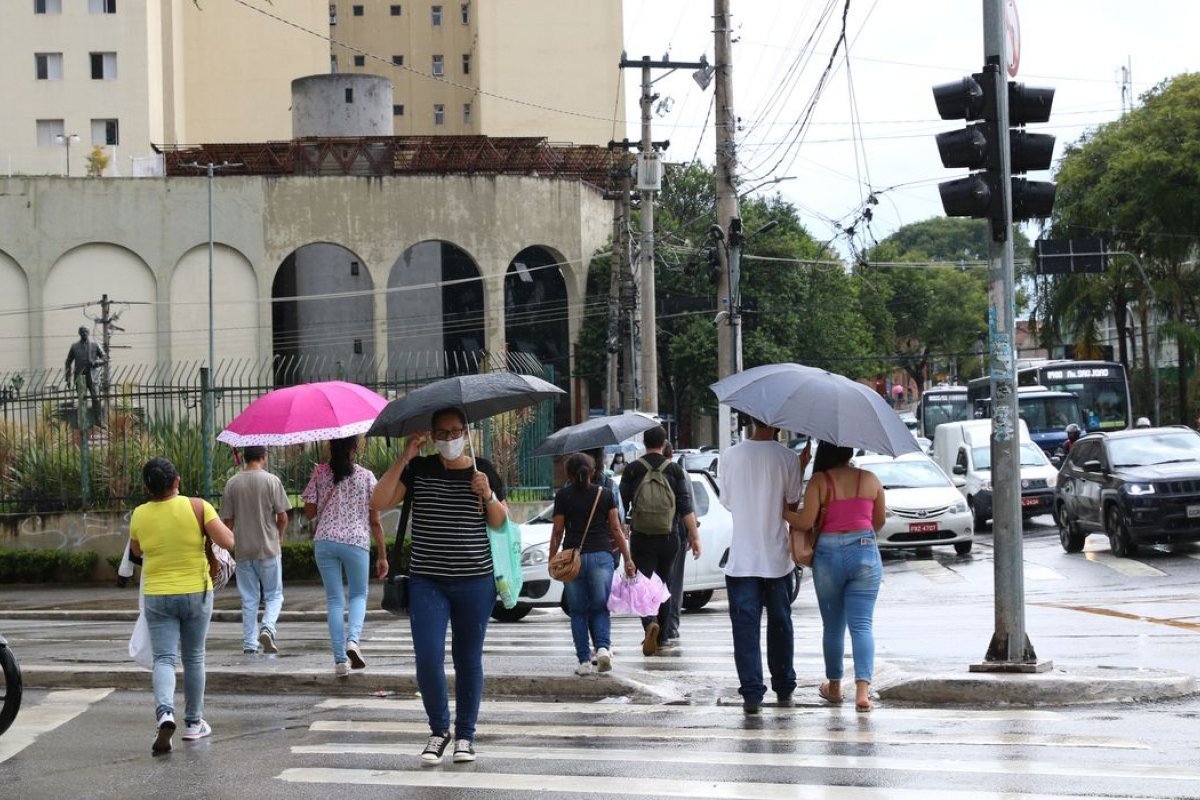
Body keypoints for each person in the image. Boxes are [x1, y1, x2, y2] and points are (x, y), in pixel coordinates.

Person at [371, 407, 507, 766]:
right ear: (432, 437)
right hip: (428, 581)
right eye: (442, 433)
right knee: (428, 658)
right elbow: (378, 501)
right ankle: (439, 729)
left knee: (468, 659)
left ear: (467, 434)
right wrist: (404, 457)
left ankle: (466, 735)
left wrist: (488, 494)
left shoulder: (484, 471)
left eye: (455, 431)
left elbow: (501, 522)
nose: (449, 439)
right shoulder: (419, 470)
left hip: (476, 581)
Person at [128, 457, 235, 755]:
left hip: (157, 595)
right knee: (194, 657)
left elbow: (137, 551)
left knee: (164, 658)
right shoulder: (199, 507)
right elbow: (228, 541)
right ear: (177, 481)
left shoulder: (139, 514)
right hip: (196, 592)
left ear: (148, 487)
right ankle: (193, 723)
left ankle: (164, 713)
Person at [785, 441, 885, 713]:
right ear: (850, 451)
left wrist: (784, 511)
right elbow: (878, 523)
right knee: (862, 625)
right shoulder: (871, 480)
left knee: (833, 626)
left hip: (828, 556)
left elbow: (805, 523)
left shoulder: (820, 481)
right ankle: (862, 693)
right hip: (865, 551)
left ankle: (835, 687)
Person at [719, 416, 804, 714]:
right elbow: (792, 505)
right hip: (777, 558)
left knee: (745, 629)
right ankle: (784, 686)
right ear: (779, 423)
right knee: (780, 626)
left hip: (742, 559)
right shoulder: (788, 457)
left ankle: (752, 695)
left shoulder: (730, 456)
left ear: (751, 419)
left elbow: (727, 501)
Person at [302, 436, 387, 677]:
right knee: (359, 594)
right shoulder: (367, 477)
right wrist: (383, 556)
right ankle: (353, 642)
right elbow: (375, 521)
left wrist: (316, 481)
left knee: (334, 601)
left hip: (325, 541)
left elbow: (308, 513)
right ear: (354, 448)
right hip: (356, 541)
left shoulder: (320, 473)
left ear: (330, 447)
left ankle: (340, 661)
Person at [549, 452, 636, 675]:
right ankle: (604, 648)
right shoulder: (605, 494)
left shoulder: (563, 496)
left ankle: (584, 662)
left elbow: (558, 531)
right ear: (594, 471)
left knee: (578, 611)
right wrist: (627, 558)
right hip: (601, 557)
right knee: (600, 608)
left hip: (572, 559)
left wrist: (552, 558)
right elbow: (616, 529)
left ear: (568, 474)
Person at [619, 425, 700, 657]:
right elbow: (685, 507)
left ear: (644, 443)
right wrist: (694, 537)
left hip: (642, 537)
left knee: (643, 585)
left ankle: (649, 625)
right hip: (669, 537)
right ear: (664, 443)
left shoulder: (632, 469)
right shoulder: (673, 470)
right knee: (665, 585)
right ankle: (663, 637)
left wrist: (621, 530)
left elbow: (622, 505)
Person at [221, 446, 291, 655]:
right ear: (263, 457)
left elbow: (228, 521)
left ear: (244, 457)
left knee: (249, 598)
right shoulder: (271, 481)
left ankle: (249, 644)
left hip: (243, 549)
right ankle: (268, 627)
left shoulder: (232, 483)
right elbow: (282, 516)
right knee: (274, 595)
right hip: (268, 548)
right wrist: (279, 536)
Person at [660, 441, 693, 650]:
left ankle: (653, 624)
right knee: (675, 582)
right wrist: (692, 534)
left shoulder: (641, 470)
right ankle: (671, 625)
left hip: (648, 534)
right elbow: (689, 505)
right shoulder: (679, 472)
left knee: (655, 582)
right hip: (676, 533)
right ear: (672, 453)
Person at [64, 325, 105, 429]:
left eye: (86, 331)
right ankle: (83, 423)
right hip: (80, 377)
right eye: (82, 332)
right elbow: (68, 362)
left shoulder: (95, 345)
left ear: (89, 332)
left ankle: (98, 421)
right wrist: (68, 378)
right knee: (82, 401)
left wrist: (96, 363)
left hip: (93, 378)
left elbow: (105, 358)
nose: (84, 333)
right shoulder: (74, 346)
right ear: (79, 333)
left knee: (96, 399)